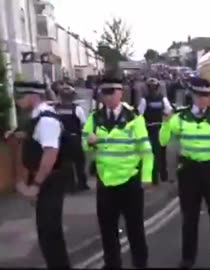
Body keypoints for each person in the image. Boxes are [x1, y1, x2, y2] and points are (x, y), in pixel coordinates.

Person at [160, 76, 210, 268]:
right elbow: (163, 141)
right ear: (192, 96)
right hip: (189, 170)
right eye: (200, 96)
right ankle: (188, 258)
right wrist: (165, 122)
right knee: (190, 216)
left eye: (207, 96)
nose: (203, 100)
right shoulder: (181, 117)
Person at [82, 77, 153, 268]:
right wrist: (89, 142)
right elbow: (85, 147)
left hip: (130, 180)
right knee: (107, 230)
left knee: (135, 228)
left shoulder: (134, 118)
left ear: (121, 93)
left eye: (112, 92)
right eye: (104, 92)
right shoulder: (94, 118)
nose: (108, 97)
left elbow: (146, 151)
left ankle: (140, 263)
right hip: (105, 181)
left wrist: (147, 177)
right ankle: (112, 264)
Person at [13, 81, 70, 268]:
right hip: (45, 179)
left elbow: (50, 154)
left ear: (33, 97)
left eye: (20, 96)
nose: (17, 100)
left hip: (50, 181)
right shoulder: (37, 118)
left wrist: (35, 186)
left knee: (50, 232)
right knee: (47, 232)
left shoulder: (46, 120)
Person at [138, 77, 173, 184]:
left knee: (153, 152)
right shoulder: (161, 98)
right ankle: (162, 176)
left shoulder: (145, 99)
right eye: (151, 87)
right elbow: (169, 111)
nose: (153, 89)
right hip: (157, 127)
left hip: (152, 128)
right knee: (160, 152)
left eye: (153, 87)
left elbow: (139, 113)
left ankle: (157, 177)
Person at [54, 83, 89, 192]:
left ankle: (69, 185)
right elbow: (84, 124)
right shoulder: (77, 109)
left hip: (61, 139)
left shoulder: (55, 108)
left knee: (65, 162)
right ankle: (82, 183)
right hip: (74, 139)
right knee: (79, 161)